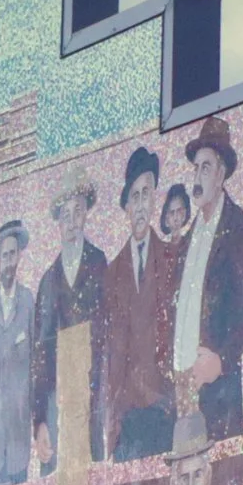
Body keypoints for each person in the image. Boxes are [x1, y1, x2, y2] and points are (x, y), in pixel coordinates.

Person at [162, 116, 243, 443]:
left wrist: (221, 360)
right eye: (195, 168)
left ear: (221, 174)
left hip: (217, 388)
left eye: (205, 167)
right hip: (184, 388)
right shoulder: (188, 238)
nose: (197, 177)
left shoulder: (233, 223)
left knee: (216, 481)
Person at [100, 145, 176, 462]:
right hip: (127, 416)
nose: (141, 204)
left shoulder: (170, 258)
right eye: (135, 196)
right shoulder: (113, 271)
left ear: (155, 199)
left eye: (147, 194)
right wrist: (111, 413)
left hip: (163, 411)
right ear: (127, 207)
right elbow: (111, 351)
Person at [32, 171, 107, 474]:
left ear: (86, 214)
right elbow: (39, 357)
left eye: (78, 211)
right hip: (56, 405)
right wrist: (39, 420)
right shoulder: (48, 281)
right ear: (58, 222)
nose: (72, 221)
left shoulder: (99, 264)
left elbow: (106, 338)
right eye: (66, 214)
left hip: (92, 397)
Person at [0, 219, 36, 485]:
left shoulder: (27, 302)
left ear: (19, 258)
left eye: (13, 255)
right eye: (4, 256)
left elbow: (36, 363)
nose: (9, 262)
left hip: (18, 437)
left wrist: (26, 410)